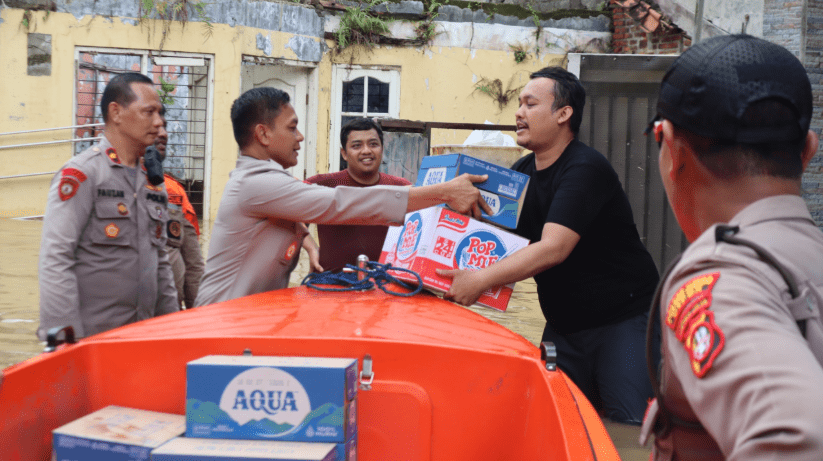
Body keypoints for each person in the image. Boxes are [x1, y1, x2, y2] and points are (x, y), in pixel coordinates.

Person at [437, 66, 660, 424]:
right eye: (519, 104)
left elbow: (553, 248)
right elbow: (502, 241)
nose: (519, 113)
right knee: (563, 421)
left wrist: (479, 281)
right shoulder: (522, 172)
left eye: (530, 103)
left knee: (625, 427)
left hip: (623, 320)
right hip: (564, 323)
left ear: (563, 114)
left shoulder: (585, 169)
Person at [639, 35, 823, 459]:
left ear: (672, 149)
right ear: (808, 151)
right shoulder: (806, 257)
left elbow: (796, 440)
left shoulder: (720, 281)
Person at [194, 87, 490, 307]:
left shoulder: (266, 182)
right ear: (263, 134)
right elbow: (341, 203)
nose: (300, 137)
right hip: (224, 318)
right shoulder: (258, 184)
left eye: (373, 144)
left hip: (249, 314)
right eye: (292, 127)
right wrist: (444, 191)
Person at [38, 72, 178, 340]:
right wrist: (64, 339)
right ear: (116, 112)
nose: (159, 122)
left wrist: (171, 329)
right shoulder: (82, 174)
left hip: (140, 337)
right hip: (91, 340)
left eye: (159, 113)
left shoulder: (153, 184)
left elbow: (160, 263)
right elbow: (55, 258)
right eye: (148, 112)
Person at [305, 118, 412, 271]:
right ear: (344, 154)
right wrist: (311, 248)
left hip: (385, 283)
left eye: (373, 144)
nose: (366, 151)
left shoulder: (401, 187)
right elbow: (289, 215)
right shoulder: (323, 184)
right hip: (330, 282)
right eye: (357, 146)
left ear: (382, 149)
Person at [152, 114, 205, 308]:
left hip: (168, 313)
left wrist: (196, 314)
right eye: (154, 127)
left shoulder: (173, 191)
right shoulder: (105, 183)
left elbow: (193, 263)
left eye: (165, 127)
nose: (163, 134)